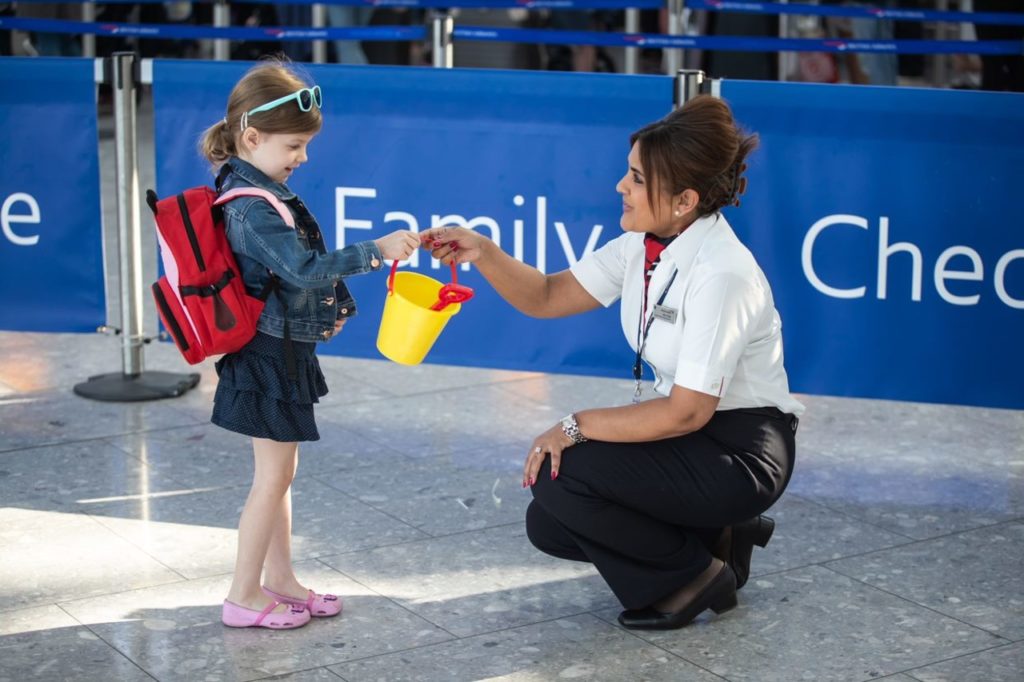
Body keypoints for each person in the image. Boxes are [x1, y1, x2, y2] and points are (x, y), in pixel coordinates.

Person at [422, 95, 804, 630]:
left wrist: (574, 426)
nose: (620, 186)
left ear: (685, 200)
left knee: (561, 475)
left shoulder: (723, 273)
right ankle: (716, 534)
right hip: (694, 435)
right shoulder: (642, 246)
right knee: (549, 523)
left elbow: (688, 412)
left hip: (740, 453)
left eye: (638, 179)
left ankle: (693, 578)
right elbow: (547, 295)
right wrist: (482, 251)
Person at [199, 60, 419, 630]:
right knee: (272, 478)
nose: (303, 158)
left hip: (278, 347)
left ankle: (279, 579)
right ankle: (242, 596)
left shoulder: (258, 190)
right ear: (252, 137)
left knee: (280, 475)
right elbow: (302, 268)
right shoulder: (251, 206)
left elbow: (288, 275)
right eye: (294, 146)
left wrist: (331, 310)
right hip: (267, 355)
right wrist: (376, 250)